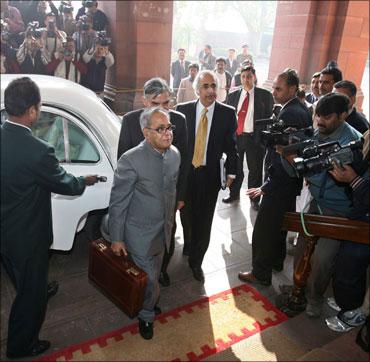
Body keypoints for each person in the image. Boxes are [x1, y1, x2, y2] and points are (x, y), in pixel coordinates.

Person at [1, 77, 99, 359]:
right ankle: (21, 346)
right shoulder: (38, 151)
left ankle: (37, 287)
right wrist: (85, 180)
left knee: (23, 277)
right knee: (29, 298)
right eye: (39, 106)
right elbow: (64, 183)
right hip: (28, 237)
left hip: (5, 232)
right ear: (31, 111)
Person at [108, 107, 180, 340]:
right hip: (138, 234)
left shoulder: (175, 155)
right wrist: (117, 238)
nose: (167, 133)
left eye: (169, 127)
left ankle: (148, 300)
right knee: (149, 279)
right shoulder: (130, 160)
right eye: (160, 129)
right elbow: (118, 202)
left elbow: (171, 191)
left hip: (164, 230)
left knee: (154, 275)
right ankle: (147, 315)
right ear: (145, 133)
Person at [289, 93, 363, 318]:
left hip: (340, 211)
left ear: (343, 115)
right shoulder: (315, 133)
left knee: (323, 259)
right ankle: (297, 289)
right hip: (315, 204)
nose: (319, 121)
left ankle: (314, 298)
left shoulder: (356, 144)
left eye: (327, 117)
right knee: (301, 250)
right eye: (317, 116)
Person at [238, 68, 312, 286]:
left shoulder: (291, 114)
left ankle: (260, 273)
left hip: (280, 184)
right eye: (274, 88)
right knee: (280, 226)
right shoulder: (298, 109)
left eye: (279, 88)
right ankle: (277, 262)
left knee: (263, 231)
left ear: (292, 88)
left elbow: (284, 156)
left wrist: (266, 187)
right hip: (289, 184)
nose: (274, 92)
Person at [117, 77, 188, 287]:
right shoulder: (130, 121)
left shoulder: (179, 120)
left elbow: (184, 160)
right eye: (156, 104)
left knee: (167, 233)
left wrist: (181, 196)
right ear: (144, 101)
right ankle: (141, 276)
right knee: (141, 239)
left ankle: (162, 270)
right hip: (140, 196)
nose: (162, 109)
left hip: (169, 195)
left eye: (166, 103)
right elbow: (122, 160)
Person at [176, 70, 238, 282]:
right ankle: (189, 244)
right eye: (206, 86)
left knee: (204, 219)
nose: (211, 90)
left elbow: (232, 146)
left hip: (209, 175)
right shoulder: (182, 111)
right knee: (186, 216)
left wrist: (232, 171)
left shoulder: (227, 113)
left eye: (214, 86)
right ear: (196, 90)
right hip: (185, 175)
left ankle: (197, 261)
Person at [325, 130, 369, 333]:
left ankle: (353, 312)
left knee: (350, 266)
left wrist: (353, 180)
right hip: (360, 212)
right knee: (348, 266)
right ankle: (348, 301)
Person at [223, 65, 274, 209]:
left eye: (249, 76)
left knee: (255, 170)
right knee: (235, 168)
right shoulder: (233, 95)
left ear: (255, 77)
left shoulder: (265, 95)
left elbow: (269, 117)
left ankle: (254, 199)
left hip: (255, 139)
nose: (246, 79)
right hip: (237, 137)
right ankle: (233, 195)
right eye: (243, 76)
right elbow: (229, 118)